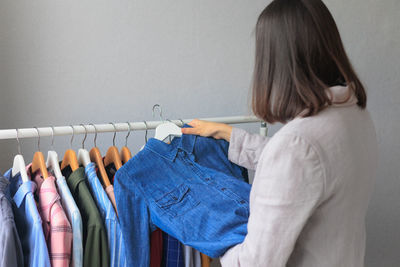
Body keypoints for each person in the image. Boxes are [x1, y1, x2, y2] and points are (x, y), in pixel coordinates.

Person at [181, 0, 378, 266]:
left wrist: (213, 240)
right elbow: (311, 169)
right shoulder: (355, 115)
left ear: (276, 62)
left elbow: (255, 262)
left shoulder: (298, 144)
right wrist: (232, 136)